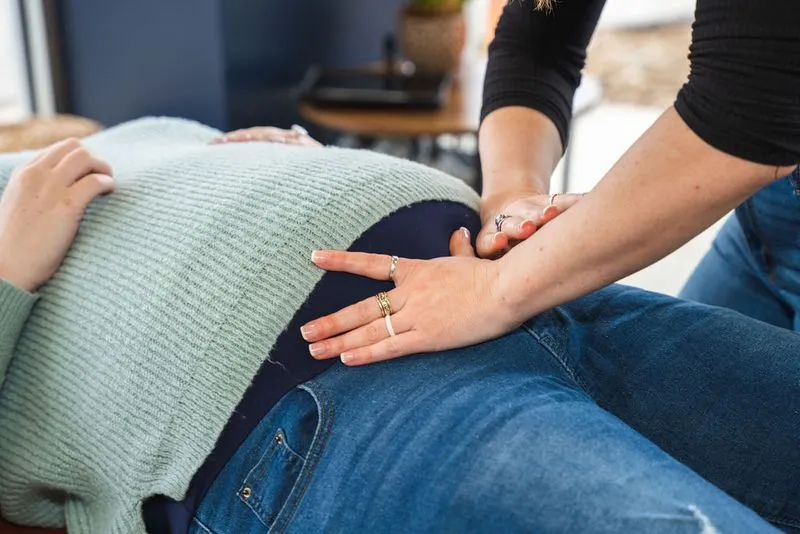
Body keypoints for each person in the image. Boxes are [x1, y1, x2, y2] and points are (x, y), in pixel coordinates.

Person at [0, 119, 797, 534]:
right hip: (327, 403)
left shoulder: (74, 141)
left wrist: (278, 158)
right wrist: (7, 271)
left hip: (529, 289)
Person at [304, 0, 800, 360]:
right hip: (767, 218)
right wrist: (511, 196)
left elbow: (752, 104)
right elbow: (537, 43)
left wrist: (493, 291)